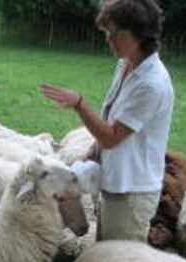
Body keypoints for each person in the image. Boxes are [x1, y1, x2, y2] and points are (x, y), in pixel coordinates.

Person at [40, 0, 174, 242]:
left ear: (140, 34)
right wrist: (91, 153)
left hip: (132, 190)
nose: (108, 39)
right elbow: (112, 120)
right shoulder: (124, 65)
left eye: (116, 33)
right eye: (106, 32)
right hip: (114, 181)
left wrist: (79, 104)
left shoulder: (151, 83)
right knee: (105, 255)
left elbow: (112, 137)